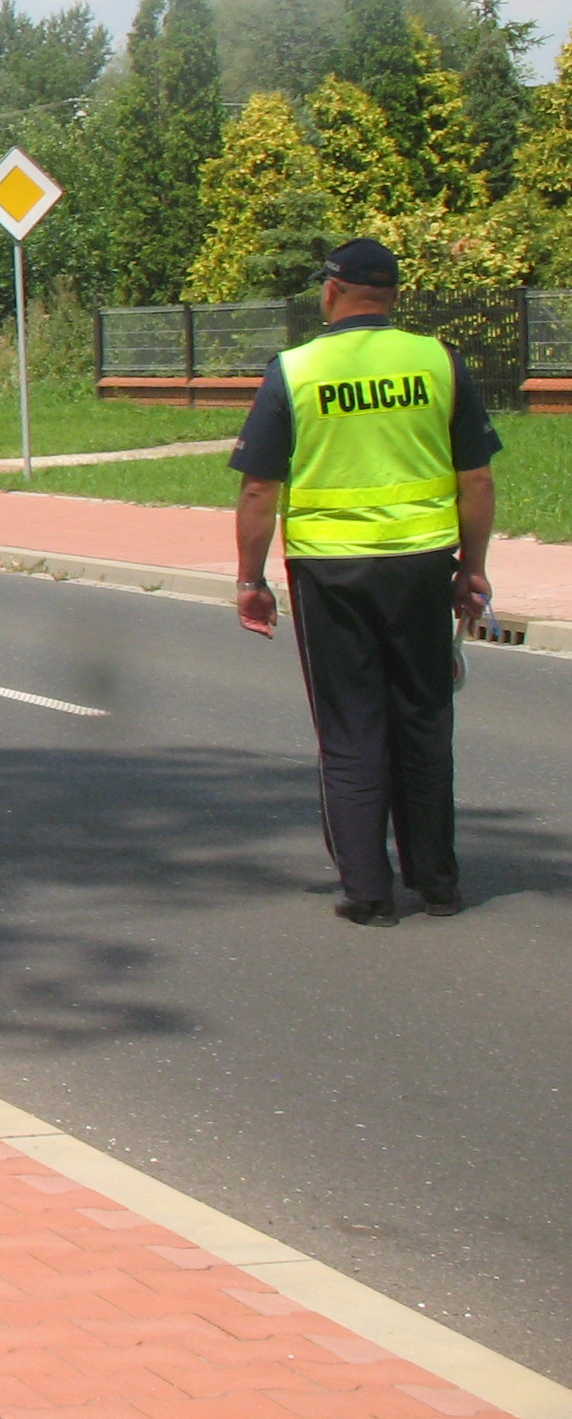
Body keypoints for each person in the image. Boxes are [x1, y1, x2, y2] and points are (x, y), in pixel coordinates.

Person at [231, 237, 499, 923]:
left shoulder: (296, 370)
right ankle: (437, 883)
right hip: (422, 564)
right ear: (393, 295)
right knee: (424, 719)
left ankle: (369, 892)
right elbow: (476, 477)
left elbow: (259, 489)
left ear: (330, 291)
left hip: (331, 573)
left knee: (352, 726)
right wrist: (472, 568)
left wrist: (249, 580)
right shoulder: (438, 362)